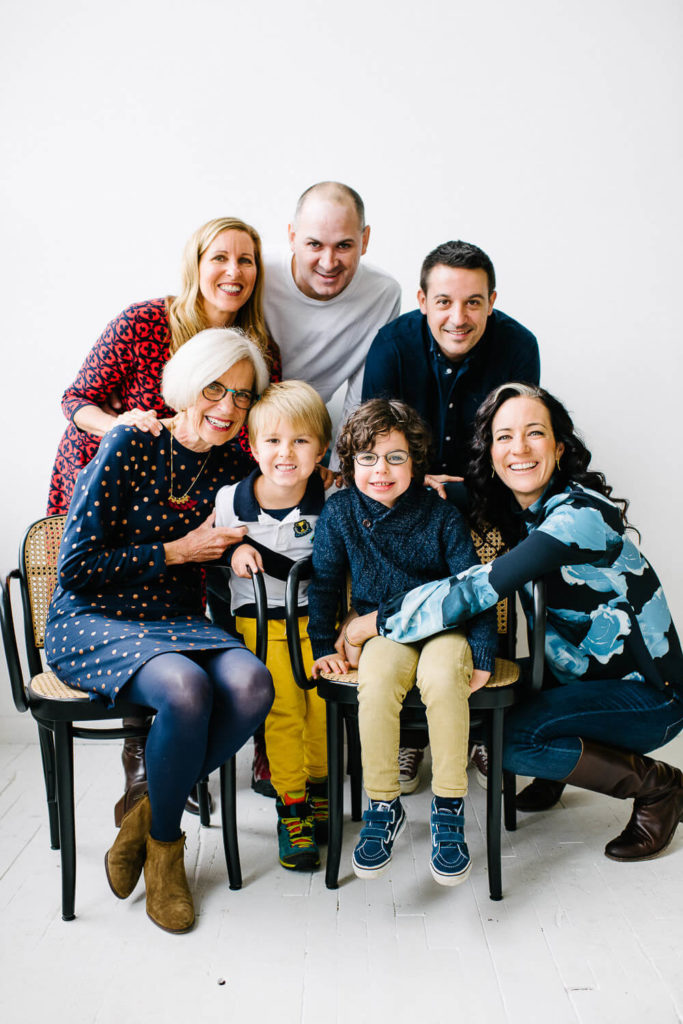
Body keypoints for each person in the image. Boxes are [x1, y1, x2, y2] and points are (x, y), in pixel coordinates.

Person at [345, 384, 683, 864]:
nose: (518, 449)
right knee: (488, 710)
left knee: (508, 739)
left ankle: (660, 788)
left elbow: (477, 587)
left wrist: (375, 622)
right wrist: (414, 482)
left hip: (648, 695)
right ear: (492, 451)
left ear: (560, 447)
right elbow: (468, 491)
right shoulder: (520, 508)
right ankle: (560, 771)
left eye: (535, 434)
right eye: (504, 437)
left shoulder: (578, 517)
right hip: (578, 677)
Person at [46, 216, 281, 817]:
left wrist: (238, 541)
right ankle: (152, 795)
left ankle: (155, 794)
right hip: (109, 524)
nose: (233, 272)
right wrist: (122, 430)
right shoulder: (145, 324)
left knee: (238, 679)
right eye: (220, 258)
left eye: (246, 260)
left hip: (171, 600)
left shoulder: (236, 423)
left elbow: (266, 449)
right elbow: (78, 400)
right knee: (183, 686)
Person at [44, 328, 275, 933]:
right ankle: (167, 856)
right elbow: (76, 567)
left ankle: (141, 822)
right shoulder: (130, 440)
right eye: (215, 389)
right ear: (186, 386)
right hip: (94, 617)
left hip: (176, 621)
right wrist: (177, 551)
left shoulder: (233, 461)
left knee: (253, 685)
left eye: (243, 396)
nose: (227, 408)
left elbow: (288, 481)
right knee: (184, 691)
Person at [362, 239, 540, 791]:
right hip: (408, 493)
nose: (457, 318)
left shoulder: (517, 346)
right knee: (414, 583)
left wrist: (465, 491)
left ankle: (487, 731)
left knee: (496, 588)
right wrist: (418, 487)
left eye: (472, 303)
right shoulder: (391, 345)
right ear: (421, 299)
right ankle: (413, 737)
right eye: (443, 302)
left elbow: (516, 448)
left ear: (491, 301)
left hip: (486, 495)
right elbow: (374, 438)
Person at [307, 399, 497, 885]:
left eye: (395, 457)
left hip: (443, 630)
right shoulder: (341, 513)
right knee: (376, 679)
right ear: (349, 465)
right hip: (381, 628)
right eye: (367, 458)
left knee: (441, 679)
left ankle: (449, 807)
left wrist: (481, 652)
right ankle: (383, 806)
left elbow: (472, 589)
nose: (381, 471)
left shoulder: (440, 516)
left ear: (416, 462)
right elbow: (326, 583)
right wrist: (324, 643)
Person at [215, 380, 332, 871]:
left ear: (321, 450)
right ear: (253, 444)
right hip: (261, 626)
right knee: (283, 712)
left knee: (323, 707)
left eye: (301, 441)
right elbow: (211, 548)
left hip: (321, 624)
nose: (286, 453)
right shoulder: (229, 500)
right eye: (274, 441)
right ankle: (292, 805)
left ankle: (321, 787)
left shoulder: (333, 496)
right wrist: (234, 548)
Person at [262, 181, 401, 457]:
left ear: (365, 240)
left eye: (343, 246)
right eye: (314, 244)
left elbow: (360, 402)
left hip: (310, 433)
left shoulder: (383, 294)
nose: (328, 262)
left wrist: (342, 478)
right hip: (243, 424)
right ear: (292, 237)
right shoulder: (258, 272)